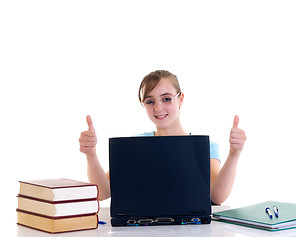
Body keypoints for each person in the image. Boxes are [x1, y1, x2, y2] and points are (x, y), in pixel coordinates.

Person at [79, 70, 247, 204]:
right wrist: (91, 154)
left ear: (180, 99)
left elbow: (217, 197)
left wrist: (234, 153)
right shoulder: (136, 144)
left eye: (166, 99)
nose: (158, 108)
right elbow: (103, 192)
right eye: (150, 101)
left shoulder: (203, 146)